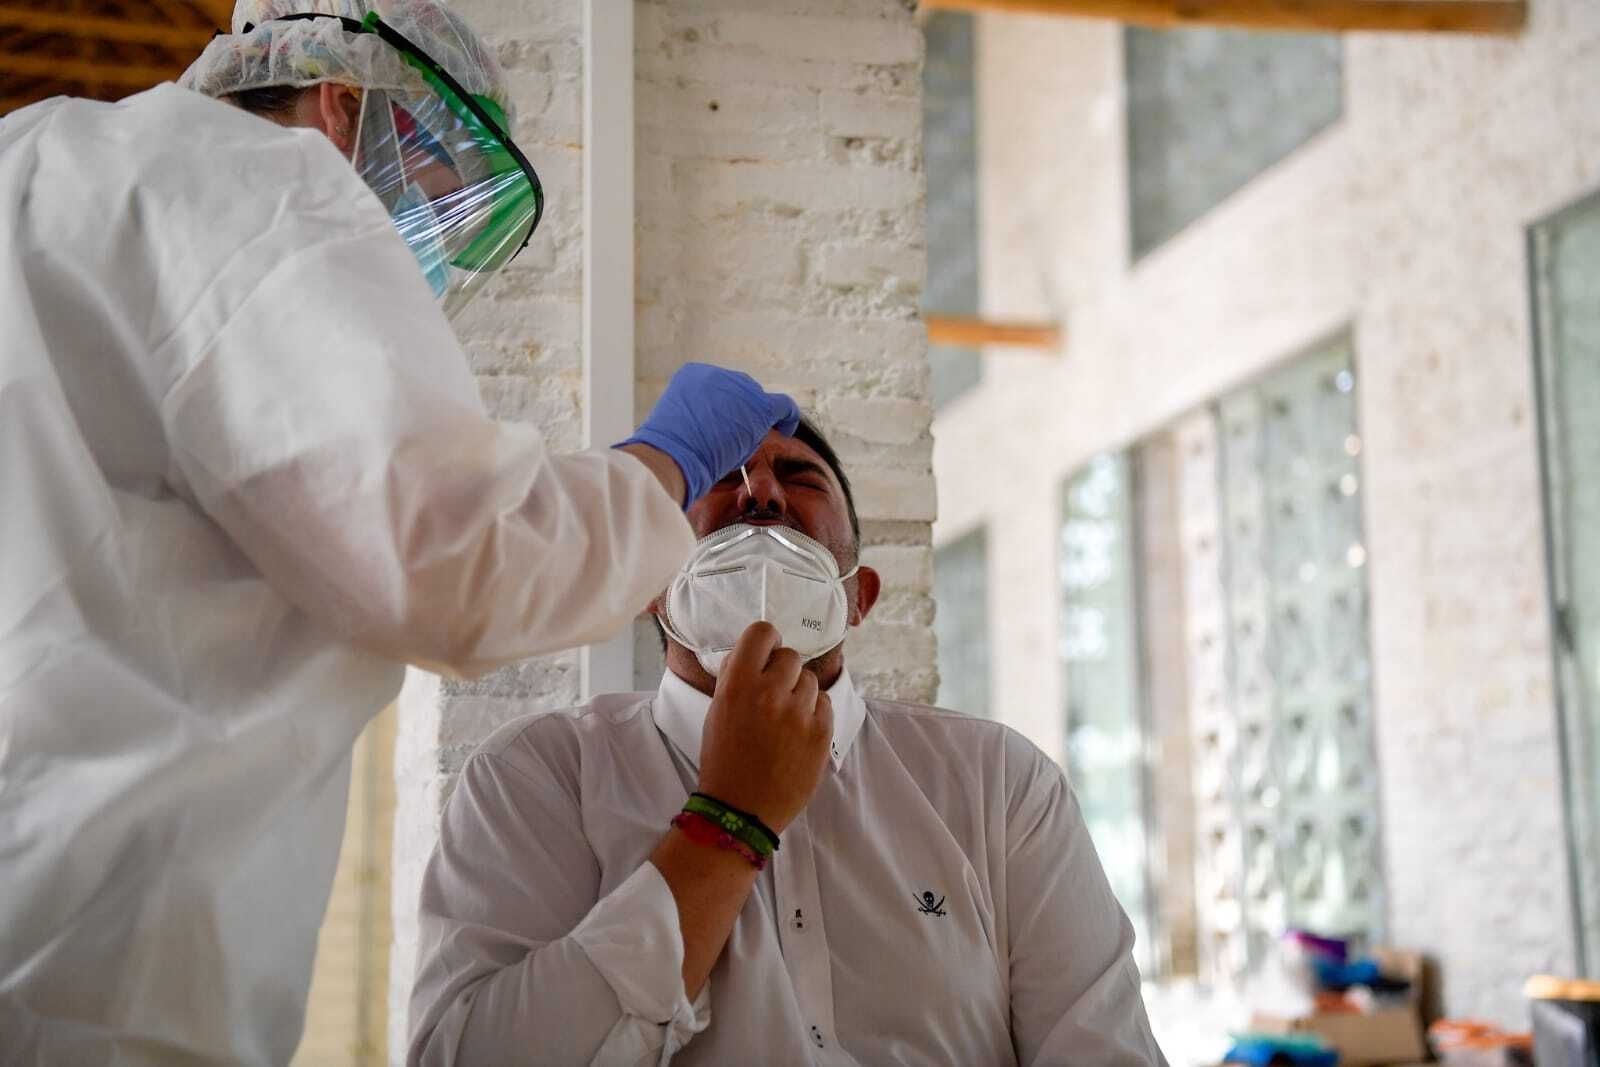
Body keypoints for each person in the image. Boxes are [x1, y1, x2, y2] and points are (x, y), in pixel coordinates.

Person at [0, 1, 800, 1062]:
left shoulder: (37, 161)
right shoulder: (269, 187)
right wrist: (667, 461)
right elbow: (453, 557)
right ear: (346, 108)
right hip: (93, 953)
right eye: (428, 203)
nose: (416, 262)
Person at [407, 417, 1169, 1066]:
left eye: (799, 476)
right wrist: (728, 817)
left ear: (858, 597)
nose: (761, 493)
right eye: (721, 474)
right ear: (649, 585)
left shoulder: (999, 786)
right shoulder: (536, 780)